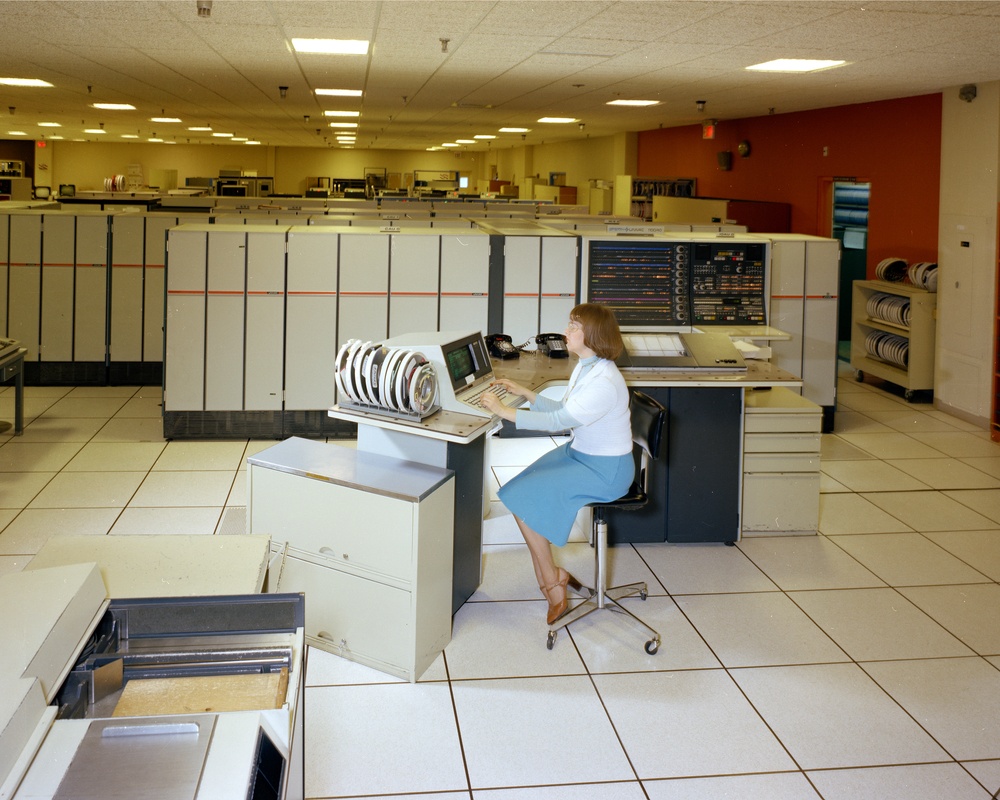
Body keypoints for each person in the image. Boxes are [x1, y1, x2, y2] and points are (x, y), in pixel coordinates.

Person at [481, 304, 635, 625]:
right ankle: (553, 577)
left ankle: (552, 582)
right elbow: (565, 407)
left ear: (592, 336)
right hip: (582, 454)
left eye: (574, 327)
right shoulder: (587, 365)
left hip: (606, 470)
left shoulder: (605, 380)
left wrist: (502, 410)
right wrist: (522, 391)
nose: (567, 331)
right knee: (515, 493)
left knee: (523, 501)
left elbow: (558, 420)